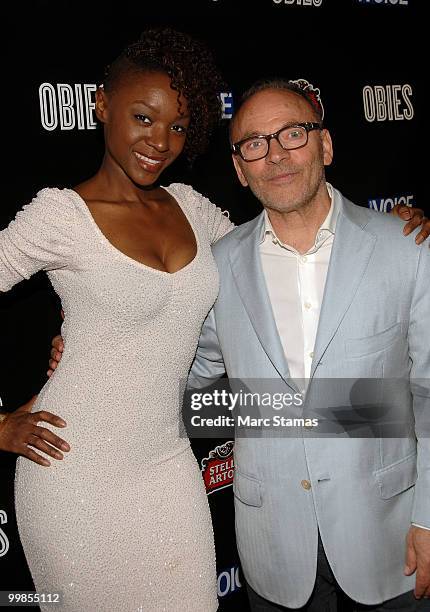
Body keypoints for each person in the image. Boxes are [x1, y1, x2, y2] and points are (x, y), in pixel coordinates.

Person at [46, 78, 430, 612]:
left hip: (390, 540)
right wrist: (97, 352)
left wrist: (427, 518)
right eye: (254, 143)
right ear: (239, 170)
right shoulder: (217, 267)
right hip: (272, 546)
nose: (275, 155)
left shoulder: (406, 248)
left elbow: (426, 393)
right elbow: (183, 376)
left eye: (293, 134)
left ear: (326, 145)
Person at [0, 27, 233, 612]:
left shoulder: (194, 209)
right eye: (143, 117)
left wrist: (392, 229)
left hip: (166, 466)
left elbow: (275, 259)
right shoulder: (63, 215)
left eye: (178, 126)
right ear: (102, 106)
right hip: (71, 475)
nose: (161, 141)